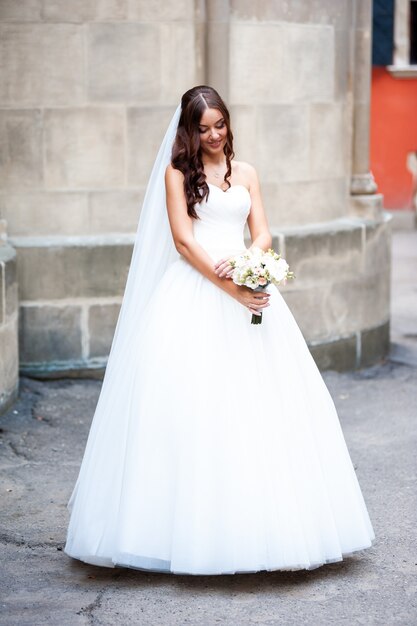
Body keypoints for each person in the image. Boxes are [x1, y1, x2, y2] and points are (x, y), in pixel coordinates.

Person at [64, 85, 375, 575]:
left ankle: (267, 530)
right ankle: (177, 534)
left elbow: (264, 231)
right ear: (189, 130)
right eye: (203, 128)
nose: (213, 135)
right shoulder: (177, 174)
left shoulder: (246, 172)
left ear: (229, 123)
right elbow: (185, 244)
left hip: (246, 288)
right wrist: (229, 287)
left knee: (265, 407)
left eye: (220, 125)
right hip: (195, 291)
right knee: (191, 408)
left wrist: (253, 262)